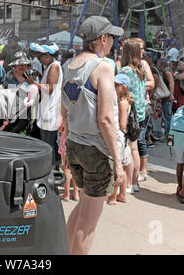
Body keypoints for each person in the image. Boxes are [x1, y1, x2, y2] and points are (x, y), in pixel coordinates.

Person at [62, 15, 125, 255]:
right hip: (96, 150)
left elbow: (64, 113)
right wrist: (118, 161)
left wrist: (67, 142)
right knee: (89, 223)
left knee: (83, 207)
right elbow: (106, 118)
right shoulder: (103, 67)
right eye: (111, 38)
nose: (113, 43)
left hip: (76, 144)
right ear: (102, 39)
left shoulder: (68, 65)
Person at [24, 42, 62, 167]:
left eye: (40, 56)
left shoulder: (54, 66)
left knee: (48, 145)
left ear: (47, 55)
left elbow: (50, 88)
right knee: (49, 143)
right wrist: (40, 76)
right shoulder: (51, 66)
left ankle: (50, 171)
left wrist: (33, 82)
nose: (39, 59)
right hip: (48, 110)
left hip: (50, 111)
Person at [119, 40, 148, 194]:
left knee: (129, 150)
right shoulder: (140, 71)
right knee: (135, 149)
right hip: (140, 114)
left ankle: (129, 183)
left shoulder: (125, 71)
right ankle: (135, 182)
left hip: (129, 113)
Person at [128, 38, 155, 184]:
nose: (143, 51)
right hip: (127, 107)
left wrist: (136, 87)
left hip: (142, 107)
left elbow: (151, 82)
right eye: (140, 48)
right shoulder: (124, 64)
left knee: (139, 140)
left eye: (143, 48)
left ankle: (142, 170)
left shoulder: (143, 64)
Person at [107, 74, 134, 205]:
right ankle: (122, 195)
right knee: (122, 165)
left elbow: (122, 124)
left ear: (123, 87)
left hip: (119, 137)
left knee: (117, 167)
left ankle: (113, 196)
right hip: (123, 138)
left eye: (117, 85)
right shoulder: (124, 100)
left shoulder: (122, 103)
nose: (114, 86)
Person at [156, 58, 175, 137]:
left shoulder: (166, 71)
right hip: (165, 97)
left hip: (167, 98)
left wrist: (171, 95)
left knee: (168, 118)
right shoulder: (164, 71)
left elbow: (171, 82)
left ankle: (169, 137)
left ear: (160, 64)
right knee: (166, 117)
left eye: (157, 63)